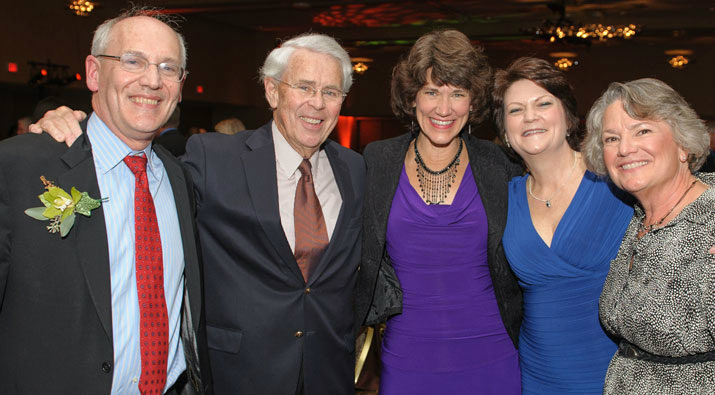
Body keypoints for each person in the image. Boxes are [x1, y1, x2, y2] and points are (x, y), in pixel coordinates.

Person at [33, 33, 365, 395]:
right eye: (304, 87)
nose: (317, 103)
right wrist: (75, 121)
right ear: (272, 91)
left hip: (329, 372)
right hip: (239, 374)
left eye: (331, 92)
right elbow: (138, 178)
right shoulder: (213, 158)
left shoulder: (355, 169)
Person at [0, 8, 211, 394]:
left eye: (169, 68)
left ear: (180, 86)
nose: (152, 80)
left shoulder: (177, 177)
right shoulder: (19, 167)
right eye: (133, 61)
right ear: (94, 72)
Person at [355, 30, 523, 394]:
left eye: (457, 94)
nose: (443, 108)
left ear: (473, 102)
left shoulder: (500, 166)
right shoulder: (377, 161)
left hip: (492, 354)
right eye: (432, 91)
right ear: (412, 97)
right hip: (406, 355)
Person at [491, 57, 633, 393]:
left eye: (543, 103)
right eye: (515, 110)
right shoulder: (503, 198)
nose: (530, 117)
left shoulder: (616, 178)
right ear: (505, 132)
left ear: (568, 117)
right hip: (537, 373)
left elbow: (682, 197)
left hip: (616, 370)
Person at [583, 78, 715, 393]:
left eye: (642, 131)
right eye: (612, 138)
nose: (625, 148)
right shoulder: (638, 219)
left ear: (683, 144)